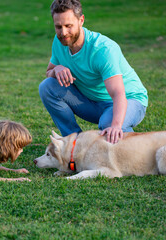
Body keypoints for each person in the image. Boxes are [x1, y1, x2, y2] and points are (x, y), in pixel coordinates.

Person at [39, 0, 148, 144]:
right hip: (92, 103)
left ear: (81, 20)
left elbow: (118, 94)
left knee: (108, 126)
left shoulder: (103, 50)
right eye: (58, 27)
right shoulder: (59, 41)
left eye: (68, 26)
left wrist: (116, 126)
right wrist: (56, 69)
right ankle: (75, 144)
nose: (63, 32)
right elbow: (49, 72)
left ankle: (137, 148)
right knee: (47, 87)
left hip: (128, 100)